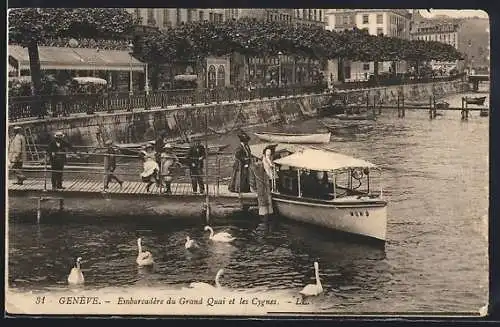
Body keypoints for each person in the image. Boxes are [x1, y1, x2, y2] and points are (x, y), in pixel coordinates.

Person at [254, 144, 277, 218]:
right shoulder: (268, 151)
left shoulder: (269, 151)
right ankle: (272, 188)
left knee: (272, 175)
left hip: (267, 164)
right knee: (270, 175)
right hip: (266, 164)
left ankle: (272, 187)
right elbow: (267, 158)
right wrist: (271, 164)